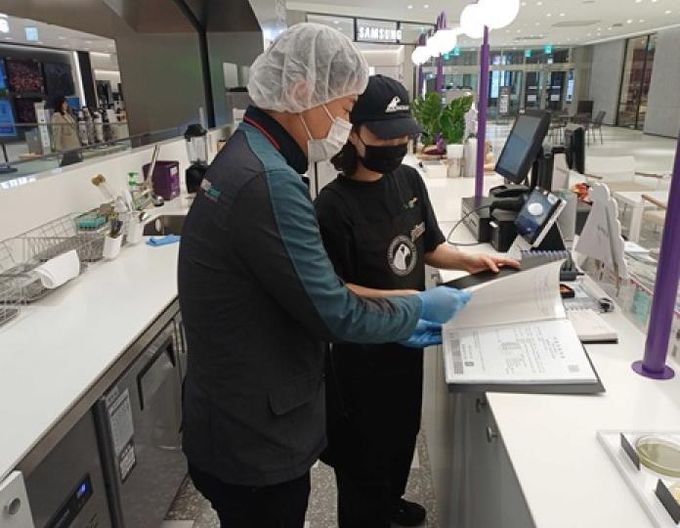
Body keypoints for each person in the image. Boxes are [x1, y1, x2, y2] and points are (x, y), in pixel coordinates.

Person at [177, 24, 471, 528]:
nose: (345, 122)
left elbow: (298, 288)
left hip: (230, 414)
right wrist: (415, 306)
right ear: (300, 92)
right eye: (345, 107)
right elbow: (332, 309)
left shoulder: (248, 155)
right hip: (253, 437)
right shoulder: (269, 181)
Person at [314, 75, 519, 528]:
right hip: (361, 355)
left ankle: (390, 502)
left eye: (402, 135)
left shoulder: (407, 179)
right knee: (363, 456)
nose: (396, 145)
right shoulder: (333, 205)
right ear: (352, 133)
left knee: (402, 433)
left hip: (407, 347)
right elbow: (334, 290)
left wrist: (472, 259)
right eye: (383, 136)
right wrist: (414, 301)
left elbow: (428, 246)